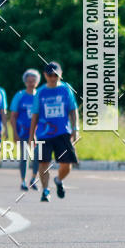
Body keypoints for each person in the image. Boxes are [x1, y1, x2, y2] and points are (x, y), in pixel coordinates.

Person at [29, 61, 79, 202]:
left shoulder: (66, 89)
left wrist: (75, 129)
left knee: (67, 164)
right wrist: (31, 134)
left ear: (60, 75)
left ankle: (58, 180)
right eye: (50, 75)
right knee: (43, 162)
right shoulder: (41, 92)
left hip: (63, 132)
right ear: (45, 75)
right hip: (45, 133)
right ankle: (45, 190)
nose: (53, 78)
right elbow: (35, 114)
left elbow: (73, 110)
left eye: (56, 75)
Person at [9, 69, 41, 191]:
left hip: (38, 132)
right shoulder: (20, 96)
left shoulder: (39, 95)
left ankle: (33, 178)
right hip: (23, 131)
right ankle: (23, 181)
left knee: (38, 156)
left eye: (33, 81)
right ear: (25, 82)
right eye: (29, 81)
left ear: (37, 82)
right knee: (24, 156)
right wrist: (15, 133)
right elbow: (13, 116)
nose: (31, 83)